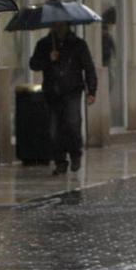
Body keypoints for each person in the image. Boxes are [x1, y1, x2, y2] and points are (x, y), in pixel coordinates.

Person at [29, 22, 97, 173]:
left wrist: (91, 90)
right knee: (54, 130)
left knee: (73, 123)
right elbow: (34, 64)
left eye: (61, 24)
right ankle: (60, 161)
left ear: (67, 25)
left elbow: (88, 67)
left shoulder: (78, 44)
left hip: (72, 91)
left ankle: (75, 154)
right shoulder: (44, 44)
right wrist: (49, 59)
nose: (58, 27)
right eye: (55, 24)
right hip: (52, 92)